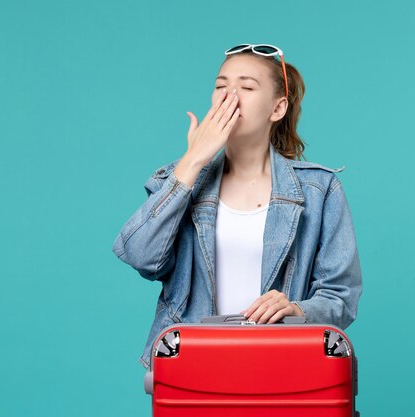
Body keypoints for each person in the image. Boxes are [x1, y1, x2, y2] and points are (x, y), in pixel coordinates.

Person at [112, 43, 362, 370]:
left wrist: (298, 311)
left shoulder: (320, 190)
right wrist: (192, 164)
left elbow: (340, 297)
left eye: (246, 87)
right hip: (194, 368)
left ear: (277, 108)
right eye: (220, 86)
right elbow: (141, 256)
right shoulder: (178, 179)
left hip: (283, 368)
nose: (230, 96)